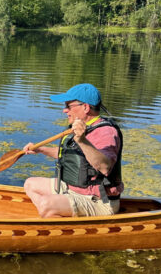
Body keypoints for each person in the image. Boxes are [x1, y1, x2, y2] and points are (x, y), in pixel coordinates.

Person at [22, 83, 123, 217]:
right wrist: (41, 150)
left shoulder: (106, 132)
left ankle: (54, 216)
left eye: (68, 106)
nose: (65, 110)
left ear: (86, 107)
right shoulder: (81, 127)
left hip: (98, 201)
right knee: (30, 184)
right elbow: (71, 155)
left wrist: (81, 140)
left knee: (47, 204)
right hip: (73, 190)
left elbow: (104, 167)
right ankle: (55, 214)